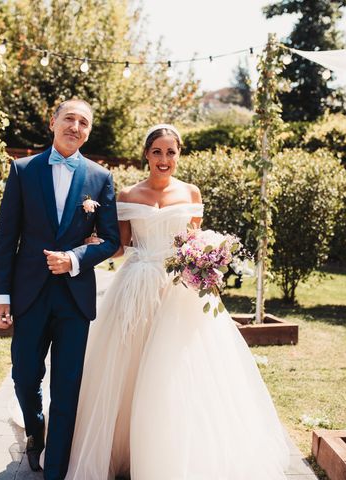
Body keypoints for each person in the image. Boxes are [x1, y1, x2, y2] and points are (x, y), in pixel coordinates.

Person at [66, 124, 289, 479]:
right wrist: (87, 245)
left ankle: (171, 455)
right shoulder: (126, 194)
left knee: (176, 368)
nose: (164, 159)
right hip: (136, 287)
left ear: (179, 155)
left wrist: (208, 260)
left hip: (180, 290)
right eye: (157, 151)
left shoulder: (191, 192)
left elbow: (193, 241)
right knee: (126, 367)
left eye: (171, 152)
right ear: (146, 154)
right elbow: (121, 247)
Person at [0, 99, 120, 480]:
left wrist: (75, 258)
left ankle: (55, 470)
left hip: (74, 299)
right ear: (53, 122)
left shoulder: (100, 178)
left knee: (67, 387)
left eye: (83, 122)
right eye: (69, 119)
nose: (75, 127)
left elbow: (111, 240)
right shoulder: (22, 170)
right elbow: (6, 238)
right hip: (29, 294)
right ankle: (35, 431)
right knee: (25, 377)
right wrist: (2, 296)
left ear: (87, 131)